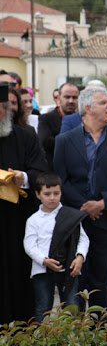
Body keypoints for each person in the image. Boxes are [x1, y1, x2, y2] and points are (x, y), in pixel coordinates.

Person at [53, 87, 107, 331]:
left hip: (106, 218)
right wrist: (86, 207)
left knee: (101, 273)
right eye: (104, 102)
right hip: (75, 219)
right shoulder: (64, 141)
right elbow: (60, 180)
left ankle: (100, 325)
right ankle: (75, 325)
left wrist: (102, 203)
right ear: (88, 108)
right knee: (75, 274)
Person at [0, 83, 48, 325]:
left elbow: (41, 172)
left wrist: (23, 178)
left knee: (18, 273)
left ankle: (21, 328)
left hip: (17, 219)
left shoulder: (26, 136)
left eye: (3, 108)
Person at [24, 173, 89, 323]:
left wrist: (79, 257)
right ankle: (42, 341)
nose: (52, 198)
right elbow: (29, 245)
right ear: (38, 195)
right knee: (43, 307)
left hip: (68, 268)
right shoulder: (33, 220)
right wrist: (44, 260)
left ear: (61, 193)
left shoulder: (70, 216)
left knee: (72, 306)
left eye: (56, 193)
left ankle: (72, 341)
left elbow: (83, 239)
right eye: (47, 194)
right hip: (42, 270)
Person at [38, 83, 79, 171]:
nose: (71, 101)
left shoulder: (83, 120)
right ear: (58, 99)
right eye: (67, 97)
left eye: (74, 97)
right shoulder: (46, 119)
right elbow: (45, 142)